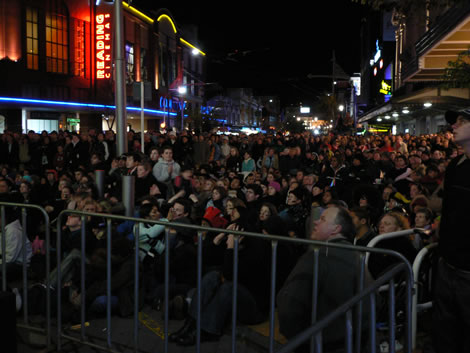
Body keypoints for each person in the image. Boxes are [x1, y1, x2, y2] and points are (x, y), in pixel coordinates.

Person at [277, 206, 370, 353]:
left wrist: (298, 338)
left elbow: (290, 305)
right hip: (348, 342)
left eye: (322, 219)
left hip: (317, 343)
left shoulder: (317, 257)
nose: (315, 222)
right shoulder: (357, 256)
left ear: (335, 229)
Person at [433, 110, 470, 353]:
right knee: (446, 332)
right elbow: (442, 205)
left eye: (462, 121)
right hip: (447, 264)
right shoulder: (456, 164)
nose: (453, 126)